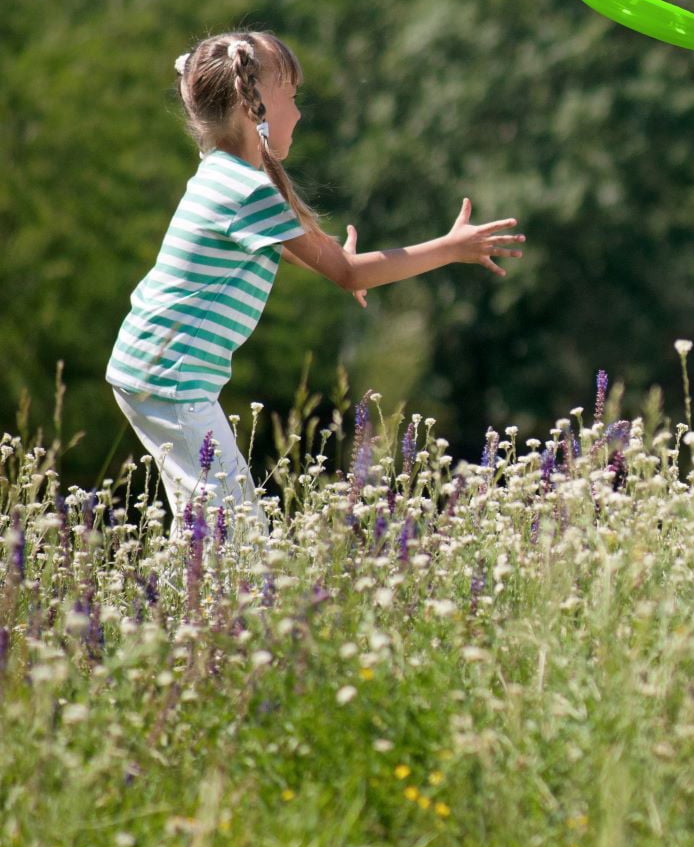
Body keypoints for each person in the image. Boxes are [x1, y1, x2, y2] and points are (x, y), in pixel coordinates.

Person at [107, 31, 524, 527]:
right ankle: (203, 602)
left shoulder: (223, 174)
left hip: (155, 371)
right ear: (252, 106)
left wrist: (334, 261)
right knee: (231, 527)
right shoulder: (245, 189)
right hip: (171, 378)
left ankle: (183, 600)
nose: (300, 114)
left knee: (212, 518)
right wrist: (451, 248)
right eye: (292, 98)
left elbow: (289, 250)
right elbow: (347, 273)